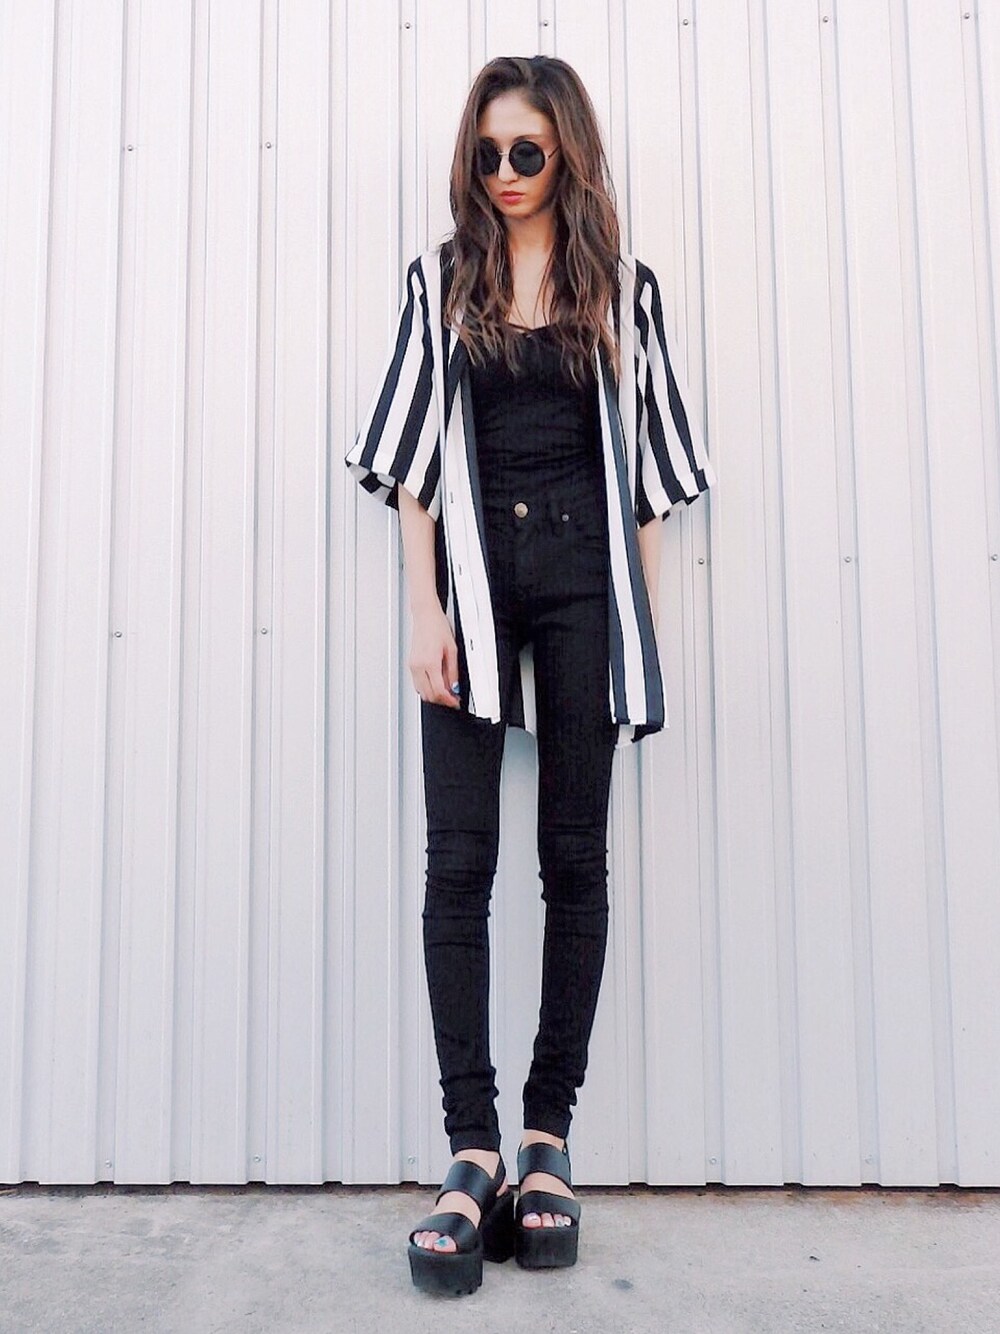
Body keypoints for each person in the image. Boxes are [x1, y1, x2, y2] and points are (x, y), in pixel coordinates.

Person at [345, 54, 715, 1297]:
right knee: (458, 863)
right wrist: (423, 608)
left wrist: (631, 628)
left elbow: (648, 482)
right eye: (487, 152)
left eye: (527, 152)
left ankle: (548, 1138)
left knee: (574, 862)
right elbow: (411, 466)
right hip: (473, 582)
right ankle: (472, 1149)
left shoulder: (621, 290)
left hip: (579, 591)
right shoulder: (442, 280)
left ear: (566, 156)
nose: (504, 174)